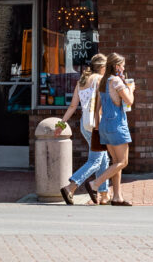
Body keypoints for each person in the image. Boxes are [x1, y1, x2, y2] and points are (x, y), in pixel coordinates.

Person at [54, 53, 111, 205]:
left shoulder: (82, 81)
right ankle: (71, 187)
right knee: (96, 160)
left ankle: (103, 194)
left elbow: (73, 106)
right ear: (102, 67)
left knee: (104, 158)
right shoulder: (100, 80)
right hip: (97, 125)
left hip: (85, 125)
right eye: (107, 67)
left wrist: (61, 124)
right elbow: (102, 105)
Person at [89, 52, 135, 205]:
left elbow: (97, 108)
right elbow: (129, 101)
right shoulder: (116, 81)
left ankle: (117, 197)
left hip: (104, 126)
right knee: (123, 162)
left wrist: (97, 126)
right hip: (117, 125)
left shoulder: (103, 81)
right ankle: (95, 184)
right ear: (116, 66)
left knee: (115, 162)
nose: (124, 68)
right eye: (122, 65)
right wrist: (131, 89)